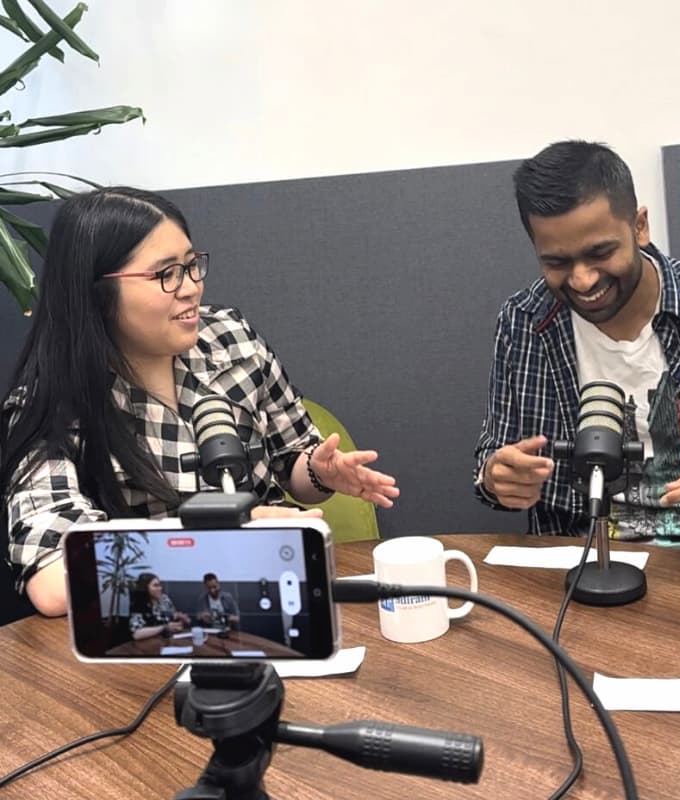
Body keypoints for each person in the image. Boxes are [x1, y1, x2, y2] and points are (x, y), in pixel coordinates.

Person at [1, 187, 400, 616]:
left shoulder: (230, 338)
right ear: (95, 291)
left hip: (273, 597)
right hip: (152, 630)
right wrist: (221, 533)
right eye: (165, 274)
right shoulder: (51, 407)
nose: (191, 288)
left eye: (192, 266)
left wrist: (319, 472)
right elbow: (53, 581)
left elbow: (292, 461)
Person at [474, 140, 680, 572]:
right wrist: (498, 477)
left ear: (640, 226)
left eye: (599, 253)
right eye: (556, 261)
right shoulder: (524, 322)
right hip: (584, 569)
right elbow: (492, 464)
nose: (583, 279)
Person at [128, 572, 190, 640]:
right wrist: (164, 628)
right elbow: (136, 634)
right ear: (145, 588)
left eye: (160, 585)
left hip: (166, 639)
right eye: (155, 585)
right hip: (147, 643)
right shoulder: (138, 604)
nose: (160, 588)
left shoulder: (164, 599)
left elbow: (171, 616)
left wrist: (180, 619)